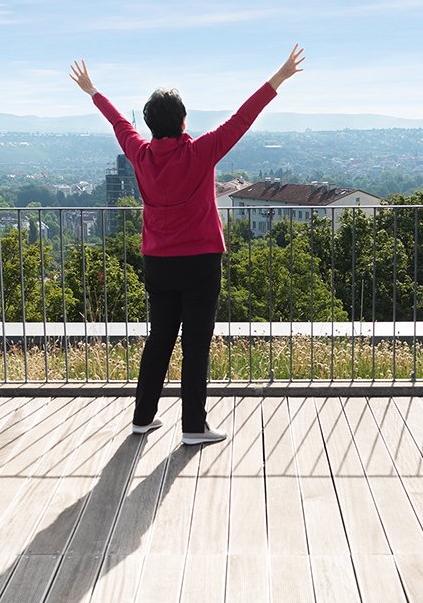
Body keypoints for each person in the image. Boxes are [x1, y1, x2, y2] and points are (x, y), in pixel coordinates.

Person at [70, 46, 305, 446]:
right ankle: (193, 426)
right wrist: (279, 77)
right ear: (182, 121)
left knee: (159, 337)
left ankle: (142, 418)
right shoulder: (200, 152)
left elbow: (115, 123)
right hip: (199, 263)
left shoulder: (139, 154)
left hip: (157, 263)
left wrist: (93, 91)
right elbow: (242, 119)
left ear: (149, 125)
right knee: (196, 344)